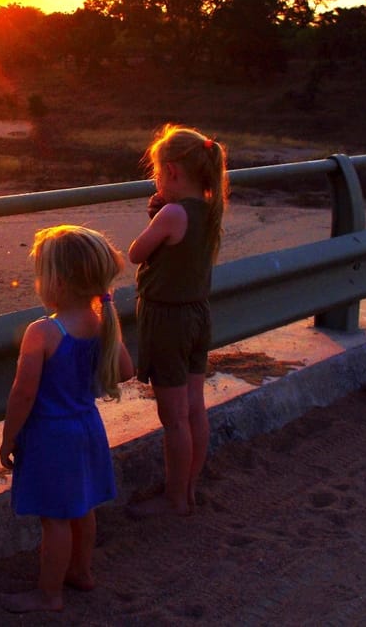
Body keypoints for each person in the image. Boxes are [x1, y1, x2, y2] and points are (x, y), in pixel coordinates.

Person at [0, 224, 135, 614]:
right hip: (88, 429)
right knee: (82, 508)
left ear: (56, 280)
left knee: (55, 519)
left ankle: (49, 593)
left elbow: (23, 394)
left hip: (51, 437)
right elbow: (125, 370)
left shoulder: (43, 332)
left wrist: (9, 438)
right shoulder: (100, 323)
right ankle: (82, 572)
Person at [127, 123, 229, 517]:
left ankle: (174, 500)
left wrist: (154, 216)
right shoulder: (208, 208)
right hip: (197, 315)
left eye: (156, 172)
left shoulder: (171, 213)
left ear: (171, 171)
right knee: (194, 408)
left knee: (173, 419)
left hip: (167, 320)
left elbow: (137, 253)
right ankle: (188, 487)